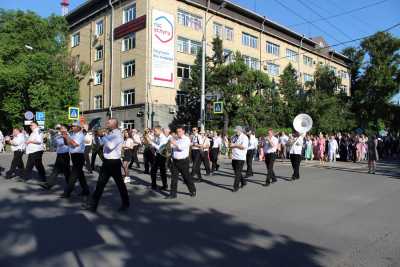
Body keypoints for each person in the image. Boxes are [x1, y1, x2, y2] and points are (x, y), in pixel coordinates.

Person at [84, 118, 129, 212]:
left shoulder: (117, 135)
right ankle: (93, 205)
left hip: (114, 162)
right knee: (100, 184)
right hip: (107, 162)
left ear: (114, 124)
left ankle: (126, 203)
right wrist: (97, 136)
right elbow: (101, 144)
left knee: (120, 184)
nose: (106, 124)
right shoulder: (110, 133)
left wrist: (102, 135)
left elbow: (110, 146)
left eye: (108, 123)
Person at [62, 122, 90, 198]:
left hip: (79, 156)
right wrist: (64, 137)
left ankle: (67, 192)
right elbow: (67, 144)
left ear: (78, 127)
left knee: (73, 175)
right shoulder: (73, 135)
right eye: (72, 126)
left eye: (73, 126)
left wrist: (67, 137)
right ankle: (86, 190)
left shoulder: (80, 135)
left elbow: (75, 144)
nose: (72, 127)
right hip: (73, 156)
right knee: (80, 175)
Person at [168, 126, 196, 199]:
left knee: (186, 177)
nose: (178, 133)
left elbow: (181, 148)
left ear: (183, 131)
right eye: (177, 132)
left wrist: (173, 143)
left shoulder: (186, 139)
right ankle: (173, 194)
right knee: (174, 178)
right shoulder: (176, 139)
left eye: (180, 131)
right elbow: (171, 147)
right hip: (175, 161)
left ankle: (192, 190)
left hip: (183, 161)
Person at [39, 125, 71, 190]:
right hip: (59, 155)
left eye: (61, 128)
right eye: (60, 128)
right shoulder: (59, 135)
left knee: (66, 171)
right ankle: (49, 184)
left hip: (65, 155)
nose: (60, 129)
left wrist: (59, 136)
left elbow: (62, 143)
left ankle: (70, 185)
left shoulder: (67, 135)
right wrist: (53, 135)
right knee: (55, 170)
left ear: (66, 129)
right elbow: (53, 144)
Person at [229, 126, 249, 192]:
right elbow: (231, 145)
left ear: (240, 130)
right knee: (237, 172)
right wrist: (230, 148)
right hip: (234, 157)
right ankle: (243, 182)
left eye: (236, 131)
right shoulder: (234, 136)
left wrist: (234, 145)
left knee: (237, 173)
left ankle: (236, 186)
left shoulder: (244, 137)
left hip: (241, 157)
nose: (235, 132)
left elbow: (243, 147)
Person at [150, 126, 169, 190]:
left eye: (155, 131)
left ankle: (165, 185)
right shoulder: (157, 137)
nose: (154, 132)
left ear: (159, 131)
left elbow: (160, 148)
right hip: (158, 155)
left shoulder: (163, 138)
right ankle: (154, 185)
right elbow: (156, 144)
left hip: (162, 155)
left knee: (162, 171)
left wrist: (152, 143)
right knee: (153, 170)